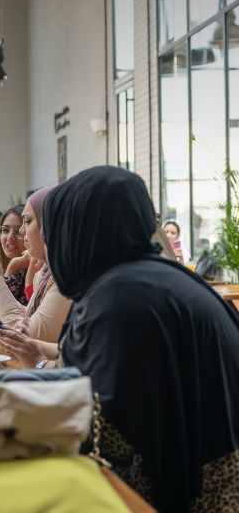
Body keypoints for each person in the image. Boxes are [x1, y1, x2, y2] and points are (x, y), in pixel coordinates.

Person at [32, 166, 239, 512]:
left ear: (78, 233)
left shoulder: (119, 299)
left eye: (55, 233)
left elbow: (104, 436)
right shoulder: (159, 278)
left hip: (201, 497)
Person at [0, 188, 71, 342]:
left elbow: (29, 338)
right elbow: (28, 317)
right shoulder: (44, 273)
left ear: (49, 224)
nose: (22, 231)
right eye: (4, 230)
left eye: (27, 221)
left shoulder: (65, 277)